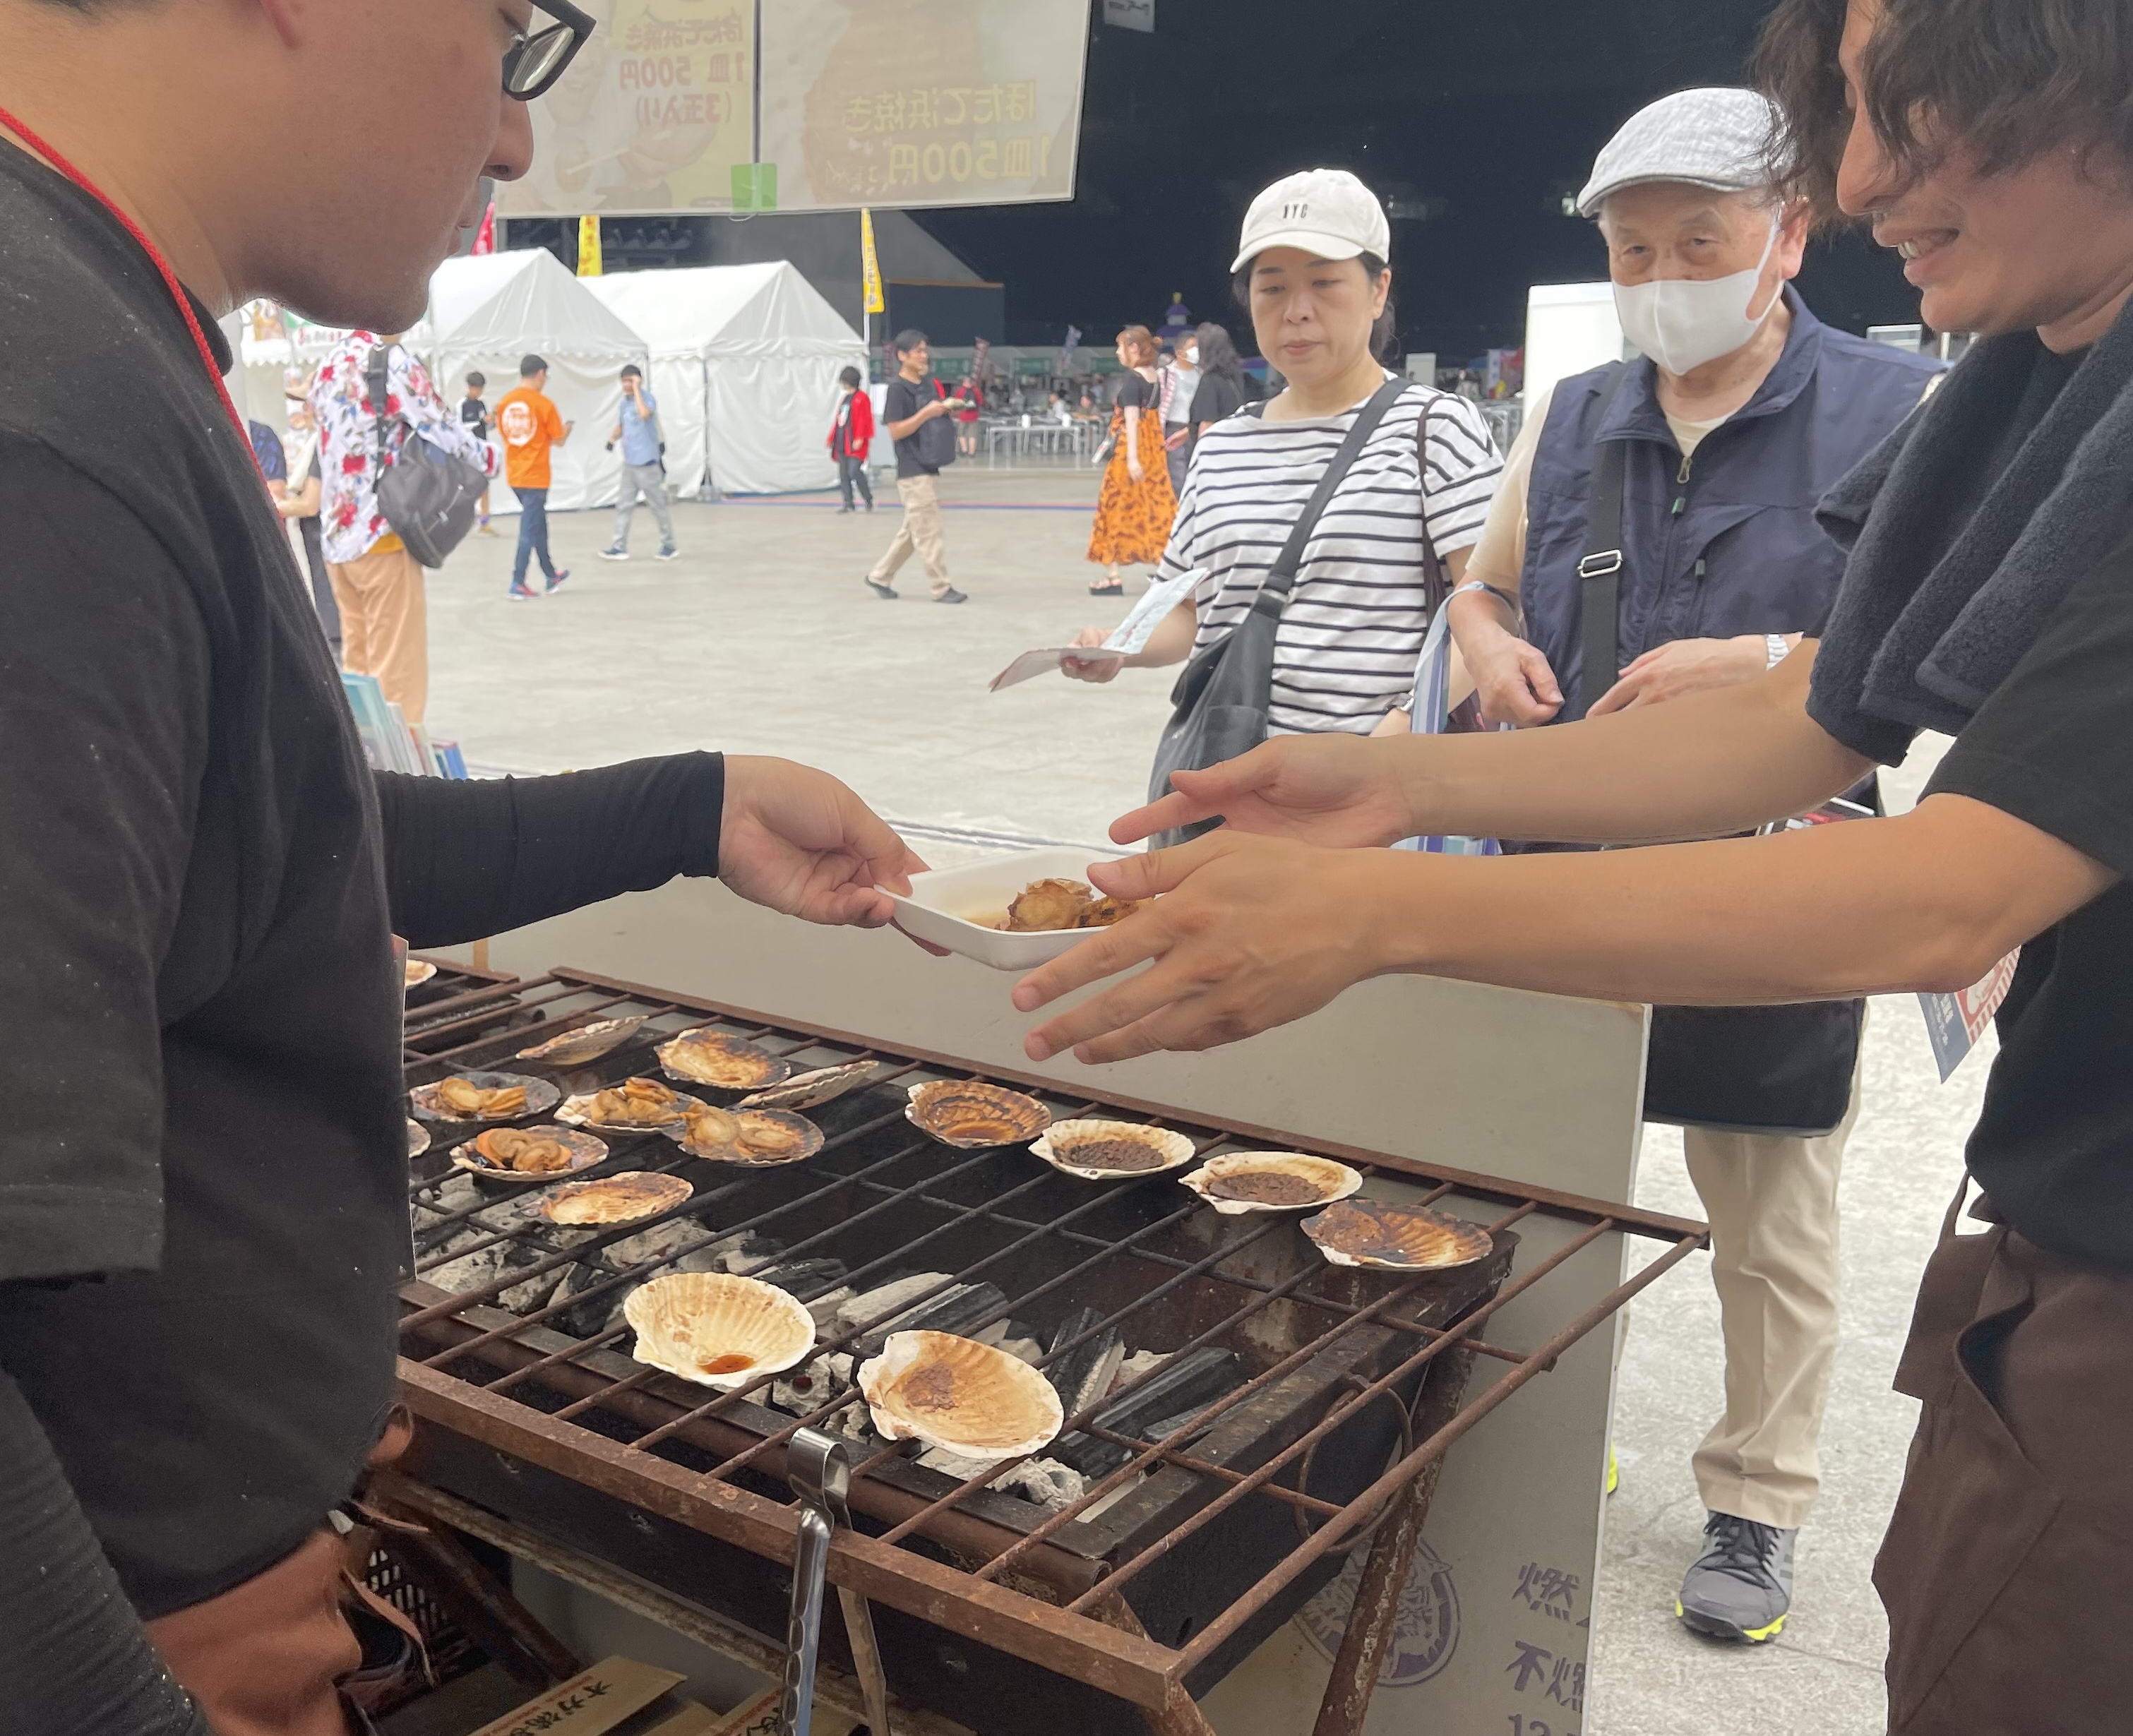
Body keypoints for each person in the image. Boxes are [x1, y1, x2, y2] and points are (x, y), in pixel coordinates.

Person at [1014, 1, 2133, 1725]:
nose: (1856, 178)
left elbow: (1949, 888)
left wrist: (1382, 912)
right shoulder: (2040, 375)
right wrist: (1392, 780)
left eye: (1910, 113)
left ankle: (1752, 1494)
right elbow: (1796, 729)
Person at [1441, 86, 1941, 1646]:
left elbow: (1935, 652)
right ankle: (1540, 1426)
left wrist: (1776, 663)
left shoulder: (1896, 411)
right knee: (1545, 1183)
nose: (1660, 271)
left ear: (1788, 235)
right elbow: (1487, 585)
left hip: (1771, 878)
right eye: (1631, 245)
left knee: (1769, 1203)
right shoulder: (1577, 407)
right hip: (1569, 864)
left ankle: (1756, 1491)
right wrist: (1486, 645)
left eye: (1696, 241)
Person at [1065, 173, 1501, 751]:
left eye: (1325, 283)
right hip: (1228, 779)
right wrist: (1119, 646)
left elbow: (1490, 610)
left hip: (1374, 796)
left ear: (1378, 290)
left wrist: (1386, 742)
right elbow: (1190, 612)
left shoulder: (1434, 428)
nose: (1296, 311)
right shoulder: (1221, 448)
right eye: (1271, 289)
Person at [309, 328, 496, 724]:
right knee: (397, 677)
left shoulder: (327, 365)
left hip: (337, 541)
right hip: (382, 533)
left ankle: (364, 769)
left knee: (359, 673)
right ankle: (401, 779)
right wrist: (491, 458)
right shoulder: (391, 363)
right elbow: (442, 428)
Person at [864, 329, 967, 604]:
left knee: (914, 531)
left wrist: (945, 408)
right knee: (929, 532)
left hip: (930, 464)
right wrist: (926, 413)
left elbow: (931, 417)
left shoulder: (929, 385)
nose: (925, 356)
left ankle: (879, 576)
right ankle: (941, 587)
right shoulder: (897, 390)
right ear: (902, 356)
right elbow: (896, 431)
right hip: (912, 470)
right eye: (918, 351)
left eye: (925, 350)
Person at [1084, 325, 1179, 598]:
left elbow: (1132, 421)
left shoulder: (1132, 380)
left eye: (1120, 347)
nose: (1118, 352)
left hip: (1132, 450)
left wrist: (1133, 459)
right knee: (1157, 506)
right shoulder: (1155, 378)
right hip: (1154, 449)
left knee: (1114, 507)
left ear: (1134, 348)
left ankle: (1113, 576)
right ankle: (1168, 568)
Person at [494, 351, 573, 600]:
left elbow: (507, 435)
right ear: (540, 374)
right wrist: (567, 429)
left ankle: (551, 573)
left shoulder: (505, 403)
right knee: (529, 529)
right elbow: (559, 440)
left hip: (516, 474)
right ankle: (517, 581)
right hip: (536, 476)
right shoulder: (544, 404)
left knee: (538, 524)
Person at [275, 382, 341, 657]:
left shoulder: (323, 445)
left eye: (308, 402)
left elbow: (310, 505)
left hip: (327, 550)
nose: (304, 410)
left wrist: (272, 506)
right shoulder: (333, 439)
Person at [599, 362, 677, 561]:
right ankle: (619, 546)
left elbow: (644, 414)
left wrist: (637, 390)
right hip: (630, 464)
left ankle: (669, 545)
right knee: (624, 505)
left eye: (630, 381)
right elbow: (622, 425)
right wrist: (611, 439)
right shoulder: (624, 404)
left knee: (657, 505)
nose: (626, 385)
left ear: (638, 380)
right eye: (624, 381)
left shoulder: (647, 399)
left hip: (648, 464)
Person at [1183, 322, 1257, 462]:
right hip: (1237, 446)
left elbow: (1207, 424)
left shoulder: (1209, 381)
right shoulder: (1236, 375)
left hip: (1217, 453)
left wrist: (1201, 460)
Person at [1159, 329, 1201, 493]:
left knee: (1195, 471)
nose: (1196, 350)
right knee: (1178, 475)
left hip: (1194, 428)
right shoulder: (1166, 374)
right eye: (1192, 346)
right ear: (1179, 352)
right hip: (1173, 428)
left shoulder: (1201, 374)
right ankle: (1179, 510)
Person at [828, 364, 875, 512]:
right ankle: (848, 502)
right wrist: (832, 438)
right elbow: (839, 420)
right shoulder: (845, 399)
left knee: (853, 471)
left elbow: (864, 419)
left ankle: (867, 497)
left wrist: (860, 437)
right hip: (843, 441)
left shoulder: (862, 398)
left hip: (855, 442)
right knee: (843, 474)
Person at [460, 369, 498, 534]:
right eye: (476, 388)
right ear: (469, 387)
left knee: (484, 486)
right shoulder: (462, 405)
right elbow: (462, 427)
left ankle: (485, 521)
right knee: (468, 488)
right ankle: (464, 520)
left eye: (481, 389)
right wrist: (481, 421)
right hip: (468, 452)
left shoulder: (482, 404)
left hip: (483, 449)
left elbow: (488, 426)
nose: (478, 392)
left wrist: (492, 420)